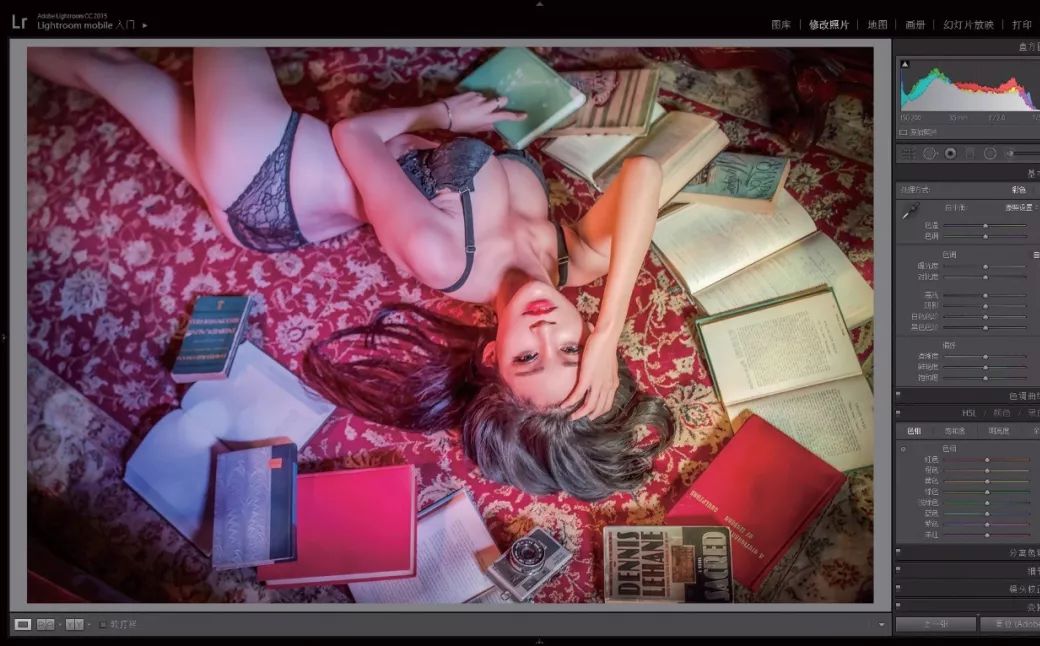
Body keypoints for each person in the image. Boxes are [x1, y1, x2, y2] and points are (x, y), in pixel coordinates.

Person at [28, 46, 675, 501]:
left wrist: (445, 116)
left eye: (527, 359)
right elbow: (645, 173)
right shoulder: (575, 261)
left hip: (265, 170)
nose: (545, 329)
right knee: (109, 70)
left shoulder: (444, 259)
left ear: (491, 356)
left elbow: (352, 136)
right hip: (306, 209)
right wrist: (607, 332)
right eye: (571, 348)